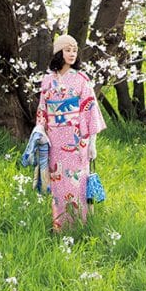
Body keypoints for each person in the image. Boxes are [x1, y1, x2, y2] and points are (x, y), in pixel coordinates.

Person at [35, 34, 107, 231]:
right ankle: (60, 227)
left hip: (77, 140)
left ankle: (80, 226)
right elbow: (42, 109)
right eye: (68, 50)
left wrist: (92, 144)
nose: (72, 54)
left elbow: (90, 111)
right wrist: (40, 131)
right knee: (58, 184)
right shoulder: (47, 80)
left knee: (78, 183)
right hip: (54, 140)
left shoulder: (82, 80)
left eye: (74, 50)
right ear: (59, 52)